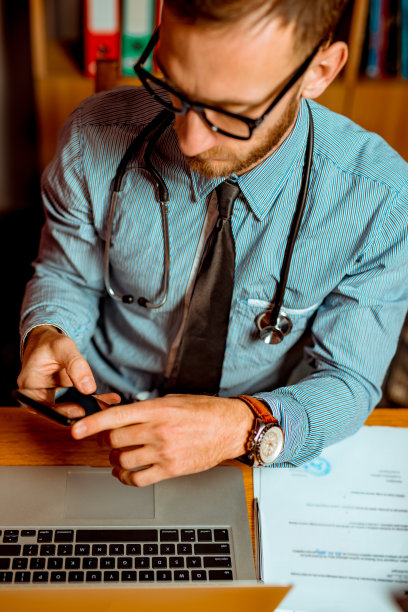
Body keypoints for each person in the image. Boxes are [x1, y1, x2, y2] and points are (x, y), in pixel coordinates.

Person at [18, 0, 408, 487]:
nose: (189, 139)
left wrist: (242, 428)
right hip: (100, 418)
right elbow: (66, 275)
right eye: (173, 86)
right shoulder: (92, 136)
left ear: (319, 71)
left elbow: (348, 382)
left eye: (229, 113)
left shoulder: (382, 201)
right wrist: (48, 331)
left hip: (253, 443)